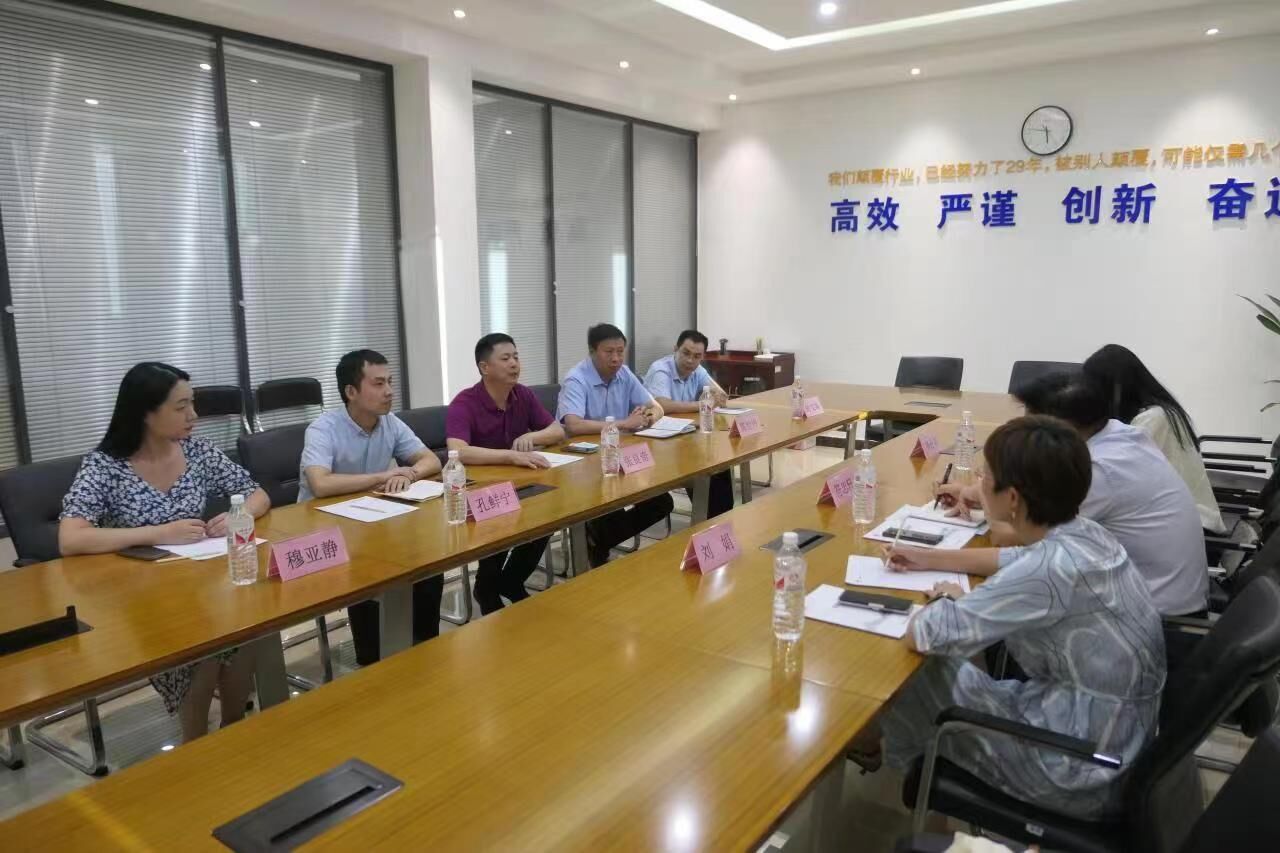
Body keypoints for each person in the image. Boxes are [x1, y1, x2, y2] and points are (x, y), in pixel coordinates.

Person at [860, 416, 1165, 819]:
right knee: (959, 658)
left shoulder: (1049, 570)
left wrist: (947, 601)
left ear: (1013, 499)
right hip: (1117, 737)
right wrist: (929, 558)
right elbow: (1016, 558)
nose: (979, 483)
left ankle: (887, 760)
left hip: (1078, 767)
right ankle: (883, 744)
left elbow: (927, 632)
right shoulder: (1087, 534)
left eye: (985, 475)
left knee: (915, 670)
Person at [59, 362, 271, 742]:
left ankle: (233, 733)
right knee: (204, 642)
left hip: (200, 582)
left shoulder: (197, 451)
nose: (193, 415)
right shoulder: (105, 465)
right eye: (181, 407)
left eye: (193, 403)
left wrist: (236, 516)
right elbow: (71, 538)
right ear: (145, 412)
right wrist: (159, 533)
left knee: (247, 626)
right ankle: (196, 746)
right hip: (139, 598)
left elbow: (258, 495)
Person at [939, 373, 1209, 616]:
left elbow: (1017, 538)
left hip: (1158, 613)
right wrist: (976, 492)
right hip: (1154, 593)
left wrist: (988, 495)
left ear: (1054, 427)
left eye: (1029, 422)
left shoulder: (1099, 471)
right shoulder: (1120, 435)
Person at [299, 349, 443, 666]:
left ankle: (424, 653)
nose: (389, 391)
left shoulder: (389, 422)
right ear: (351, 391)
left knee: (428, 564)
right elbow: (320, 484)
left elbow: (430, 460)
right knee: (368, 573)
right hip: (324, 533)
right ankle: (372, 662)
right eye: (378, 384)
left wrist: (408, 474)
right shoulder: (323, 429)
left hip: (373, 523)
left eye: (390, 382)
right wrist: (383, 476)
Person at [446, 333, 564, 613]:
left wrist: (532, 436)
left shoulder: (522, 394)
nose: (514, 364)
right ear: (485, 367)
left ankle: (511, 580)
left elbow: (557, 431)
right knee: (500, 521)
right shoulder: (464, 402)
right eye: (505, 358)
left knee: (549, 515)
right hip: (479, 493)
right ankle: (487, 588)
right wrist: (510, 455)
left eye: (516, 357)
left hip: (518, 484)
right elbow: (458, 451)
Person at [557, 323, 672, 566]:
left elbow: (655, 406)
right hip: (583, 468)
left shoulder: (625, 374)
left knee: (661, 502)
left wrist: (649, 417)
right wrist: (624, 423)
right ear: (592, 351)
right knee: (607, 507)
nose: (616, 358)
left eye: (620, 351)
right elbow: (573, 425)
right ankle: (594, 542)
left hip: (620, 460)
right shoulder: (576, 379)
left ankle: (597, 540)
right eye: (608, 352)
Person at [1083, 344, 1225, 533]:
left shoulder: (1152, 419)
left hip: (1191, 522)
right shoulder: (1161, 412)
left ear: (1113, 387)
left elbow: (1116, 473)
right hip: (1176, 517)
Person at [643, 329, 735, 518]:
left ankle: (717, 521)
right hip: (659, 445)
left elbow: (721, 396)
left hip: (684, 437)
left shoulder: (697, 370)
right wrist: (702, 404)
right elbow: (663, 405)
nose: (690, 360)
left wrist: (714, 396)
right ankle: (708, 520)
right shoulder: (661, 369)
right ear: (675, 349)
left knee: (720, 465)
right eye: (685, 353)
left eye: (697, 356)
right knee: (703, 470)